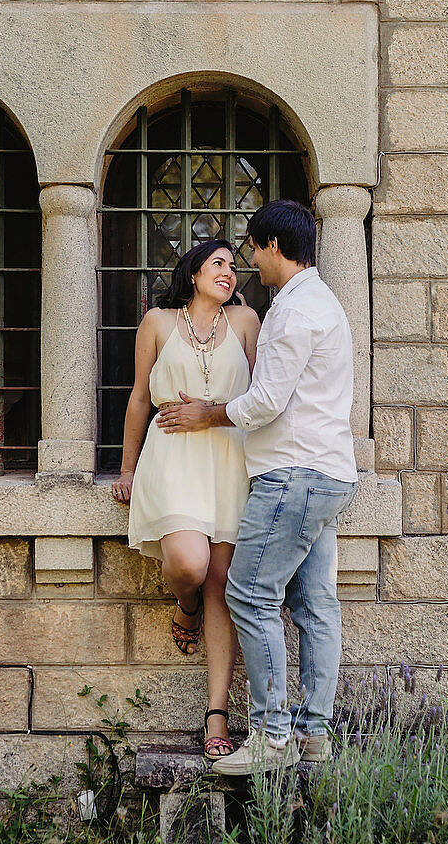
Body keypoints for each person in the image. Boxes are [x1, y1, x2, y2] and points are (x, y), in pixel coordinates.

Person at [156, 199, 358, 776]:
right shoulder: (323, 303)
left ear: (273, 245)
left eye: (253, 248)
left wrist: (208, 414)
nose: (251, 261)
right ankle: (314, 734)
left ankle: (272, 737)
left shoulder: (294, 311)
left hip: (293, 475)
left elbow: (267, 402)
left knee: (247, 594)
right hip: (328, 472)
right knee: (316, 604)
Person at [111, 238, 261, 760]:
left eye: (233, 267)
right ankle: (186, 604)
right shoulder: (156, 322)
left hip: (229, 459)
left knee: (223, 580)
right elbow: (137, 397)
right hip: (172, 455)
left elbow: (262, 396)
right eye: (218, 263)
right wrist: (126, 468)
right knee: (188, 563)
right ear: (194, 272)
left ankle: (216, 713)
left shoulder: (245, 323)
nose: (229, 271)